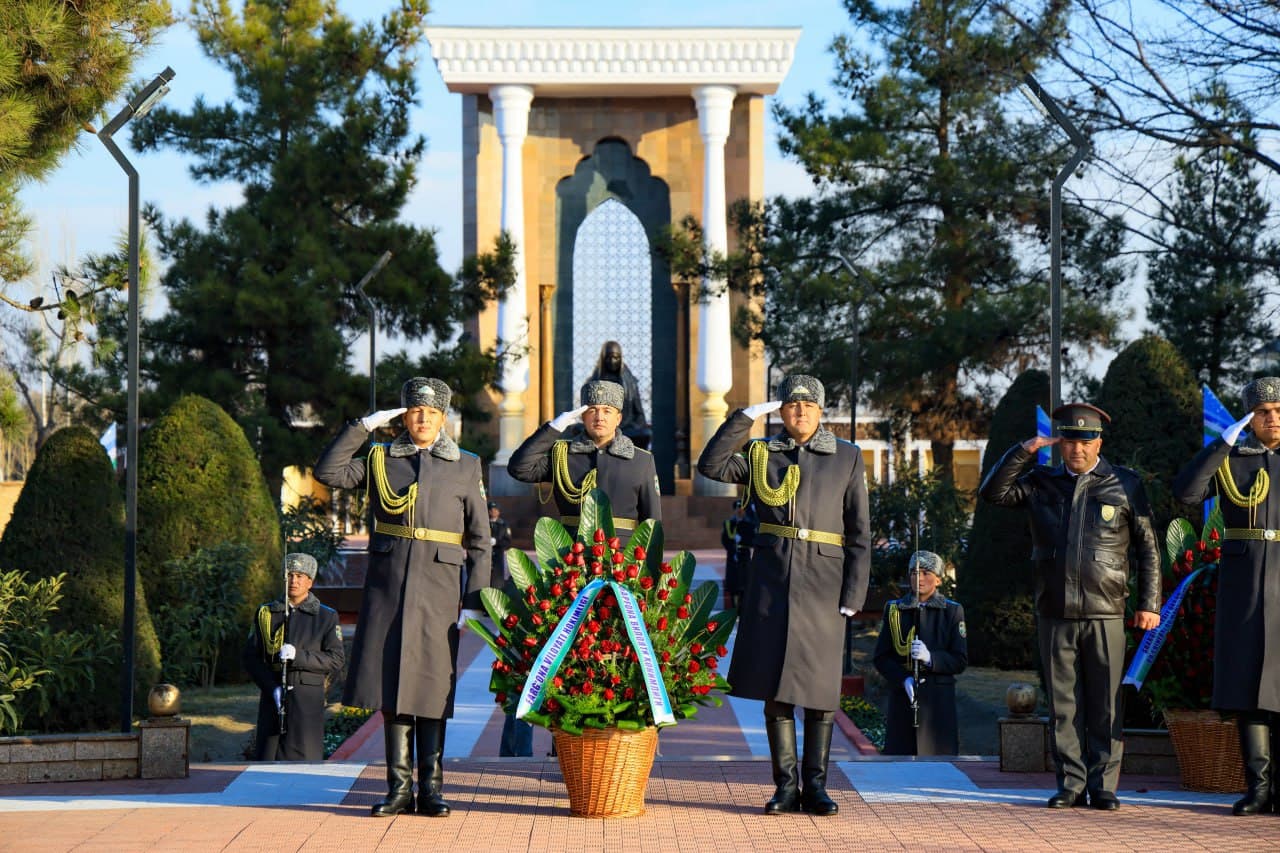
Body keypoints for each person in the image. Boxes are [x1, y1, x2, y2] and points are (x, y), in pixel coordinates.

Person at [313, 377, 490, 817]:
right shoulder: (380, 459)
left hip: (439, 589)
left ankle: (430, 790)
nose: (422, 418)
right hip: (388, 589)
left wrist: (474, 600)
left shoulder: (466, 465)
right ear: (403, 417)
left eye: (431, 412)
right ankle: (397, 788)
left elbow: (480, 540)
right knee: (391, 689)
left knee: (433, 689)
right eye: (415, 411)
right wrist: (362, 427)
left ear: (443, 418)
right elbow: (328, 472)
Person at [696, 374, 871, 817]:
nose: (800, 412)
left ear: (821, 410)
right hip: (772, 579)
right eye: (792, 405)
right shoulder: (761, 454)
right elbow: (712, 466)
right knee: (776, 689)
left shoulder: (847, 456)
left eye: (808, 405)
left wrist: (854, 591)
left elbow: (860, 532)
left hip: (825, 582)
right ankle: (786, 787)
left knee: (820, 690)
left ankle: (817, 787)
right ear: (781, 411)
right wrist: (745, 418)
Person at [979, 402, 1160, 810]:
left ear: (1099, 442)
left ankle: (1104, 785)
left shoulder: (1125, 483)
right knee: (1064, 704)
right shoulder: (1041, 482)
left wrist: (1150, 603)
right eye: (1070, 441)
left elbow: (1148, 548)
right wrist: (1023, 450)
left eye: (1085, 441)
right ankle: (1071, 784)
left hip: (1106, 609)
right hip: (1055, 608)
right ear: (1060, 444)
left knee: (1106, 703)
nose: (1077, 449)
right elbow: (993, 493)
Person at [1173, 376, 1280, 816]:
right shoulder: (1232, 459)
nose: (1272, 419)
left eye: (1279, 411)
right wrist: (1222, 444)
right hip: (1244, 586)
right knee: (1247, 687)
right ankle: (1258, 789)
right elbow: (1186, 493)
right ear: (1249, 419)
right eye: (1263, 413)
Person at [508, 379, 661, 532]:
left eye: (607, 411)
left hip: (622, 546)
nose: (599, 417)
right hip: (572, 545)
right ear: (583, 417)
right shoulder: (562, 455)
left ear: (618, 419)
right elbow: (519, 468)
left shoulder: (641, 460)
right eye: (592, 410)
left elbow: (652, 522)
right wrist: (554, 428)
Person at [242, 552, 345, 762]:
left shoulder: (325, 616)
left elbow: (335, 659)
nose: (294, 581)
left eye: (300, 576)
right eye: (289, 575)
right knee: (267, 761)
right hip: (273, 699)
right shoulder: (266, 613)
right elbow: (251, 657)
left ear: (310, 582)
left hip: (307, 701)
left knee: (304, 763)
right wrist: (271, 686)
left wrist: (299, 656)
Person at [872, 550, 967, 755]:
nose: (919, 578)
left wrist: (931, 658)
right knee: (900, 761)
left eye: (926, 573)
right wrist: (902, 679)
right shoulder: (895, 610)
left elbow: (959, 660)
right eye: (914, 573)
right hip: (903, 701)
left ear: (938, 579)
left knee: (939, 764)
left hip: (938, 704)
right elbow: (881, 657)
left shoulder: (952, 611)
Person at [582, 340, 651, 449]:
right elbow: (586, 412)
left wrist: (635, 425)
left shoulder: (631, 382)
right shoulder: (593, 382)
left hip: (626, 428)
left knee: (643, 433)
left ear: (620, 358)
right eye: (608, 358)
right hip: (600, 426)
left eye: (616, 357)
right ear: (603, 358)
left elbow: (639, 414)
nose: (612, 361)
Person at [720, 500, 756, 609]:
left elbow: (752, 541)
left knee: (744, 584)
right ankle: (734, 609)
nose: (740, 510)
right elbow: (724, 540)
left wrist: (742, 540)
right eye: (737, 508)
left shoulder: (749, 524)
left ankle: (743, 609)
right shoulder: (729, 524)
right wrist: (732, 547)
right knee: (733, 585)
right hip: (732, 557)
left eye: (742, 508)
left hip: (744, 557)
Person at [488, 501, 512, 591]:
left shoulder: (503, 524)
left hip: (498, 555)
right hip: (486, 554)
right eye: (491, 510)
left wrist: (496, 542)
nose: (493, 512)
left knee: (497, 582)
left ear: (498, 511)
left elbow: (507, 541)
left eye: (495, 509)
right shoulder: (484, 523)